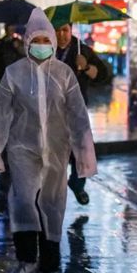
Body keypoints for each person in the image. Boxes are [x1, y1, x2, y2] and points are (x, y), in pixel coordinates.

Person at [0, 8, 97, 273]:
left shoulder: (64, 74)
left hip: (57, 149)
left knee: (53, 205)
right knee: (23, 201)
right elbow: (0, 115)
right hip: (22, 148)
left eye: (47, 41)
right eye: (37, 40)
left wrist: (84, 152)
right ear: (27, 42)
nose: (42, 46)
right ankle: (26, 260)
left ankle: (50, 266)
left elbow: (78, 115)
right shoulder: (14, 74)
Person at [55, 22, 108, 205]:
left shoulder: (82, 50)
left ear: (71, 30)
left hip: (76, 109)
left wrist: (85, 67)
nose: (61, 35)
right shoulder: (45, 49)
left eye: (65, 30)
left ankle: (77, 184)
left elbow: (102, 75)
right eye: (57, 30)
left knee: (82, 150)